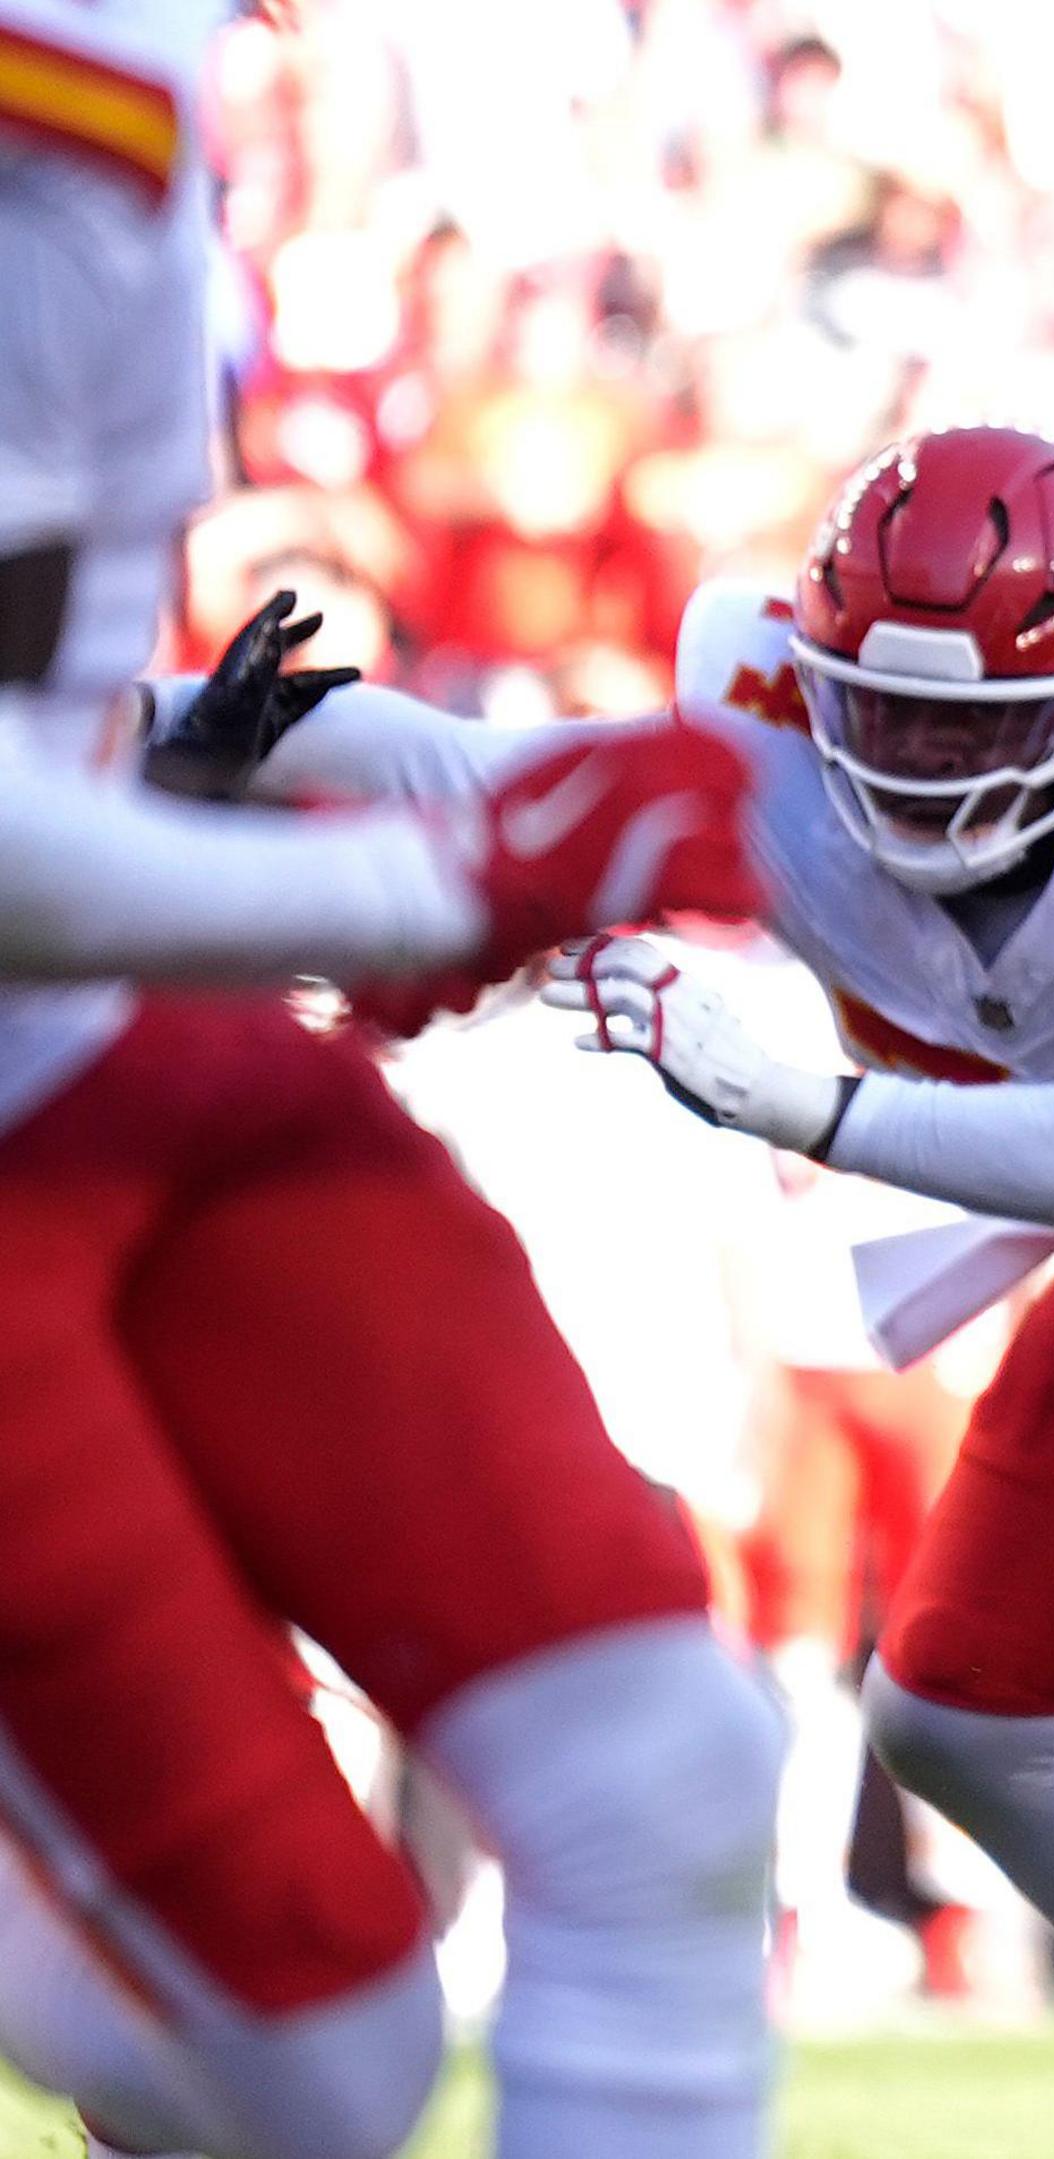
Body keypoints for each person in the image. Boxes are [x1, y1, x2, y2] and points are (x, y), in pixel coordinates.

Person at [191, 425, 1054, 2159]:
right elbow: (486, 775)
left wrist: (801, 1100)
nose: (910, 759)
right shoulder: (765, 731)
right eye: (880, 707)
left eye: (969, 722)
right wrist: (229, 735)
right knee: (945, 1699)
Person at [1, 8, 791, 2158]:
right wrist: (429, 876)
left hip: (118, 1057)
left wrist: (318, 769)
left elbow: (33, 683)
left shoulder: (116, 77)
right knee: (304, 2048)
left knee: (662, 1769)